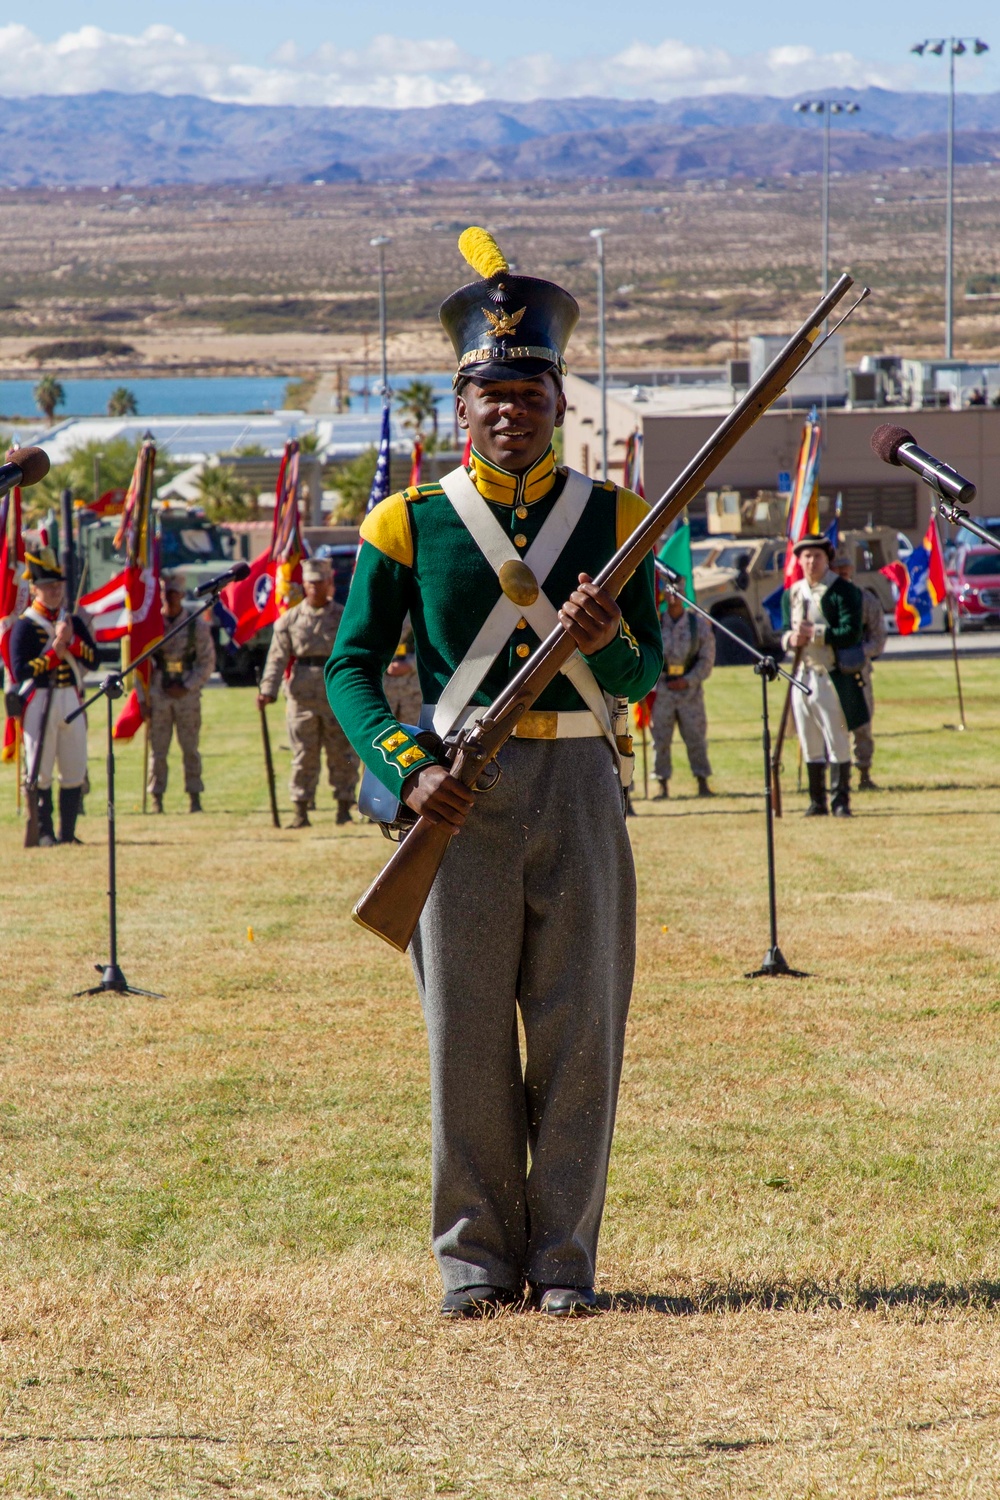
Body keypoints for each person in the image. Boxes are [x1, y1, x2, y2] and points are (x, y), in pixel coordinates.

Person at [327, 227, 662, 1319]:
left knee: (580, 1036)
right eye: (488, 392)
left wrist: (604, 637)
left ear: (560, 400)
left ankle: (562, 1260)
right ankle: (473, 1262)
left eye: (528, 388)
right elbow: (351, 670)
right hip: (458, 795)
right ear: (456, 407)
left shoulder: (613, 522)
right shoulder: (408, 523)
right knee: (462, 1039)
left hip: (576, 786)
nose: (508, 407)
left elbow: (647, 664)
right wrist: (409, 768)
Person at [257, 556, 358, 828]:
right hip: (302, 697)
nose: (315, 588)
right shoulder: (289, 620)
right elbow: (277, 658)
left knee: (342, 753)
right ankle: (301, 811)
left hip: (336, 693)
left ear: (329, 584)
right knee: (303, 754)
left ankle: (344, 808)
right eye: (310, 583)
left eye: (320, 582)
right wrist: (267, 689)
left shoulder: (344, 616)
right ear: (303, 586)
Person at [10, 546, 97, 845]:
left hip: (69, 697)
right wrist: (54, 652)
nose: (55, 591)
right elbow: (21, 670)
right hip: (39, 700)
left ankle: (68, 832)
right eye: (48, 586)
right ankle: (44, 831)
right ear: (35, 589)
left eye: (58, 586)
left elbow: (93, 659)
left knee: (74, 766)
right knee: (41, 768)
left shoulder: (71, 621)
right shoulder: (26, 625)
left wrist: (70, 644)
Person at [782, 536, 869, 818]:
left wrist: (817, 635)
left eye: (816, 556)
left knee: (837, 738)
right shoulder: (793, 592)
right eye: (806, 556)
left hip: (829, 676)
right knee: (809, 740)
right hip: (801, 676)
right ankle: (816, 800)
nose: (811, 562)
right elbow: (783, 629)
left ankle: (840, 799)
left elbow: (852, 632)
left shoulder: (842, 591)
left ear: (826, 559)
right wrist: (790, 638)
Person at [148, 569, 216, 814]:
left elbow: (207, 662)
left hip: (186, 693)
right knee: (158, 751)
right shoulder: (153, 623)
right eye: (167, 593)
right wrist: (144, 695)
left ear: (182, 595)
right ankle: (157, 798)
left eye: (175, 594)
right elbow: (142, 659)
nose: (171, 598)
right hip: (159, 692)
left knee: (190, 748)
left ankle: (194, 796)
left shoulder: (194, 625)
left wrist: (187, 685)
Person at [651, 585, 715, 798]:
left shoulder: (698, 625)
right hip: (663, 689)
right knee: (661, 739)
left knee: (695, 736)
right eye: (668, 591)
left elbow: (707, 659)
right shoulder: (656, 623)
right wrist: (660, 681)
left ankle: (702, 781)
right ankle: (662, 784)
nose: (673, 596)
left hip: (690, 691)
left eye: (677, 591)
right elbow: (649, 656)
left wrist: (688, 680)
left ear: (684, 594)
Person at [834, 547, 887, 790]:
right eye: (837, 572)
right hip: (828, 672)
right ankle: (834, 779)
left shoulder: (865, 600)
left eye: (846, 572)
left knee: (862, 725)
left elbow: (878, 639)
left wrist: (860, 652)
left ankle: (864, 773)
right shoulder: (822, 600)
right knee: (831, 726)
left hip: (858, 671)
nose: (843, 576)